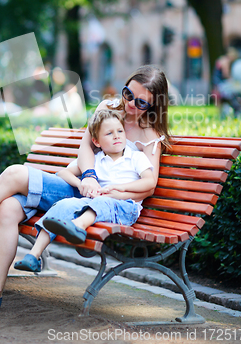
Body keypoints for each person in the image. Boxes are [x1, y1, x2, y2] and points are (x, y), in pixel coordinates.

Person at [0, 65, 170, 310]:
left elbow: (148, 187)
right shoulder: (107, 108)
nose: (130, 105)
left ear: (154, 105)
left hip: (98, 203)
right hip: (79, 186)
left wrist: (112, 191)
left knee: (13, 173)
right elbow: (86, 147)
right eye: (128, 94)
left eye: (141, 103)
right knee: (8, 207)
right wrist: (90, 177)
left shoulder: (150, 135)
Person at [12, 109, 156, 273]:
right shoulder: (95, 159)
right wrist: (80, 185)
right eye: (109, 133)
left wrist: (121, 188)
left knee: (102, 201)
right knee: (65, 204)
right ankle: (33, 255)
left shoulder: (136, 157)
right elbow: (63, 173)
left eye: (120, 131)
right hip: (97, 203)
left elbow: (149, 181)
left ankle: (77, 226)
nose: (116, 136)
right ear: (96, 141)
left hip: (126, 206)